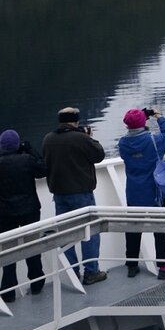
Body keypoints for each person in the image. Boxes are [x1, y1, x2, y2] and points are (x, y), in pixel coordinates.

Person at [43, 107, 107, 284]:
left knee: (65, 234)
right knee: (90, 232)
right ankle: (91, 271)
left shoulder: (48, 139)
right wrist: (89, 137)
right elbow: (99, 155)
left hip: (59, 194)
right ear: (76, 121)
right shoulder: (81, 138)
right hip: (81, 193)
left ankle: (72, 272)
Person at [116, 108, 165, 280]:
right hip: (154, 193)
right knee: (160, 229)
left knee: (134, 228)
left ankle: (132, 265)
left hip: (134, 192)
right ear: (144, 122)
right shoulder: (154, 140)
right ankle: (163, 267)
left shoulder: (122, 143)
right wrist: (159, 117)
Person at [0, 128, 48, 301]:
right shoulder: (27, 160)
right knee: (33, 246)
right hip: (29, 210)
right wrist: (30, 150)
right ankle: (37, 282)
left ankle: (8, 290)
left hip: (6, 213)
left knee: (8, 251)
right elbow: (43, 169)